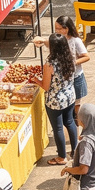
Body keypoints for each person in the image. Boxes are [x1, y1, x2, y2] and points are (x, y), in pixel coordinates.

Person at [32, 32, 78, 165]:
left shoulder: (50, 64)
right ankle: (75, 151)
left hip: (55, 101)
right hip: (70, 96)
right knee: (69, 122)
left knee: (58, 128)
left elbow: (46, 87)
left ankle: (61, 157)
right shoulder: (70, 58)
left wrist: (36, 79)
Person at [52, 17, 91, 116]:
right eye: (56, 28)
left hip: (76, 77)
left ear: (67, 29)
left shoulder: (75, 41)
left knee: (75, 107)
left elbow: (86, 57)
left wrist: (72, 63)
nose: (57, 31)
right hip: (63, 78)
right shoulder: (58, 38)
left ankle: (76, 125)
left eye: (59, 28)